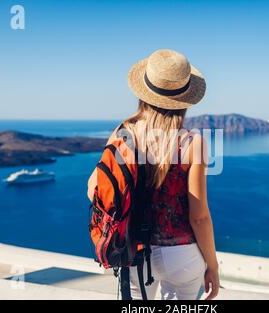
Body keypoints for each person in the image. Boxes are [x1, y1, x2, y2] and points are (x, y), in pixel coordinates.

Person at [87, 49, 219, 300]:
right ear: (184, 101)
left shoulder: (122, 134)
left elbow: (93, 188)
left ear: (144, 94)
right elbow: (199, 217)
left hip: (135, 250)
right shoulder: (193, 144)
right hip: (183, 255)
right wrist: (213, 266)